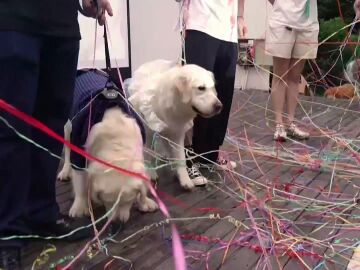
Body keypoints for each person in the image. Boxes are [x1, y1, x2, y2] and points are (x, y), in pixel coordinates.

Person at [0, 0, 112, 268]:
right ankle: (7, 231)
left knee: (51, 125)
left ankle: (41, 213)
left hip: (62, 26)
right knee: (11, 130)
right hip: (12, 20)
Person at [181, 0, 247, 185]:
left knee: (222, 94)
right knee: (195, 93)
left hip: (228, 29)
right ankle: (187, 158)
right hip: (201, 24)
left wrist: (241, 15)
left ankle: (209, 154)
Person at [265, 0, 319, 141]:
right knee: (280, 75)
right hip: (283, 22)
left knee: (295, 77)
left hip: (308, 25)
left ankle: (290, 123)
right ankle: (279, 125)